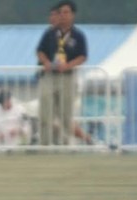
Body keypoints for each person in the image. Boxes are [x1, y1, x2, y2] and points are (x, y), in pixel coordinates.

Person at [36, 1, 88, 146]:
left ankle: (65, 144)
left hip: (67, 77)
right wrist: (46, 62)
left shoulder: (78, 35)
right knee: (45, 111)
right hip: (50, 76)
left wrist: (68, 66)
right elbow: (40, 51)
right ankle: (44, 144)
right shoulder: (50, 33)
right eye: (60, 12)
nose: (63, 16)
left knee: (66, 114)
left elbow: (83, 56)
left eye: (66, 12)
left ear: (72, 15)